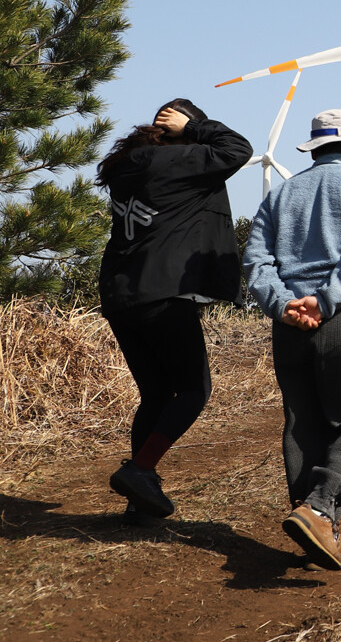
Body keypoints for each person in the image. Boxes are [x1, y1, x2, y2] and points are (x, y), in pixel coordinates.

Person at [243, 109, 341, 571]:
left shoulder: (281, 192)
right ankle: (321, 508)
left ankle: (314, 520)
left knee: (303, 421)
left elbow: (255, 259)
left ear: (312, 148)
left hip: (288, 325)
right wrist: (325, 301)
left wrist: (284, 303)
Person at [96, 99, 251, 521]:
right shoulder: (177, 160)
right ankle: (141, 471)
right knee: (194, 390)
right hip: (162, 292)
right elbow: (238, 149)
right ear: (185, 131)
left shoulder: (128, 165)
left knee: (156, 394)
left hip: (120, 295)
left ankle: (138, 501)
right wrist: (195, 129)